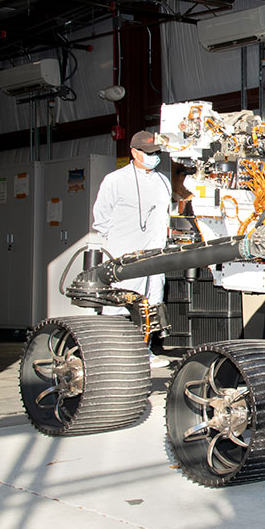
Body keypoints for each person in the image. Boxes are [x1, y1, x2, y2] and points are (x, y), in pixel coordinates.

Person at [92, 130, 172, 368]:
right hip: (124, 253)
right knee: (119, 303)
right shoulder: (116, 180)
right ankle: (110, 354)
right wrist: (117, 244)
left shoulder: (162, 181)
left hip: (155, 253)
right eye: (148, 153)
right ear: (134, 152)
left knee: (149, 304)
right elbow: (101, 217)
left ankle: (144, 352)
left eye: (156, 153)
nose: (153, 157)